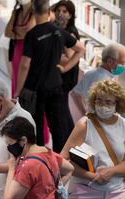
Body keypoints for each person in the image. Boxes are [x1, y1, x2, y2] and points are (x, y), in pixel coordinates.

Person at [15, 0, 85, 153]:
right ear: (49, 13)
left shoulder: (32, 35)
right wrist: (65, 67)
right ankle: (59, 162)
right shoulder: (59, 31)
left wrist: (17, 91)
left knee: (36, 126)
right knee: (57, 126)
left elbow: (25, 65)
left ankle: (39, 162)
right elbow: (80, 49)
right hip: (55, 86)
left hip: (35, 88)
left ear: (33, 12)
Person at [71, 43, 125, 116]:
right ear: (110, 61)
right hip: (103, 122)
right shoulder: (106, 82)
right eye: (122, 63)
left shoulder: (89, 74)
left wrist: (84, 113)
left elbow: (74, 94)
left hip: (92, 119)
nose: (123, 66)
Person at [53, 0, 80, 139]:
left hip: (66, 76)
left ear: (70, 15)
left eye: (64, 12)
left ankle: (67, 140)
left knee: (62, 110)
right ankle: (70, 139)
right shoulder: (59, 29)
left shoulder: (70, 33)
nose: (60, 14)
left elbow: (69, 56)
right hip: (63, 75)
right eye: (58, 11)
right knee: (63, 109)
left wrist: (53, 57)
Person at [5, 0, 35, 96]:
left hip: (30, 51)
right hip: (17, 50)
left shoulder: (34, 13)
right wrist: (21, 33)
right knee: (16, 79)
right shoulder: (16, 12)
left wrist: (15, 30)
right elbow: (7, 32)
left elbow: (28, 33)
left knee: (27, 81)